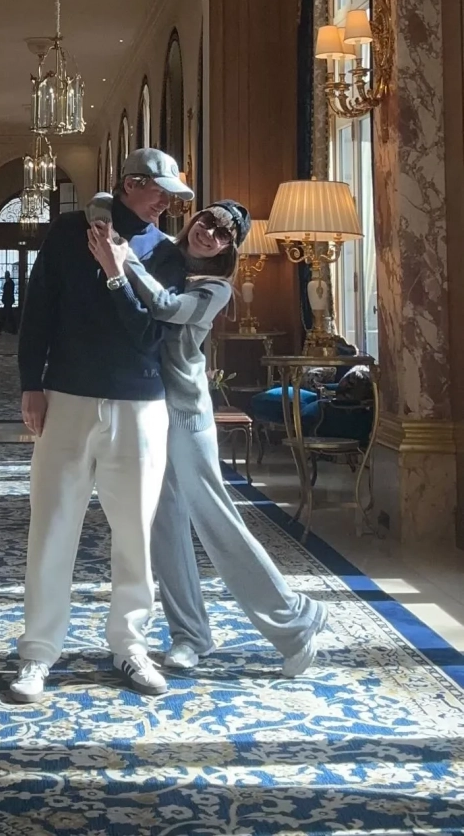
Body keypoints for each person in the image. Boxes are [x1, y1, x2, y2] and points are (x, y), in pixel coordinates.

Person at [87, 201, 329, 678]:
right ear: (193, 218)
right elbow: (103, 207)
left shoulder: (216, 289)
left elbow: (165, 308)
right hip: (147, 406)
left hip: (186, 414)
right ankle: (190, 634)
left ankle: (294, 618)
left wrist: (125, 261)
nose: (210, 233)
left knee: (216, 520)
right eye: (207, 221)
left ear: (228, 249)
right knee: (163, 524)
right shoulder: (163, 254)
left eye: (223, 234)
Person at [11, 149, 194, 703]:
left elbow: (149, 337)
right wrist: (31, 382)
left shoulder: (166, 254)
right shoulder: (68, 233)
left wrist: (118, 274)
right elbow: (38, 309)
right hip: (66, 398)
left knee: (135, 534)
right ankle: (38, 652)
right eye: (158, 192)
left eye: (171, 197)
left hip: (140, 407)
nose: (165, 204)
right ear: (129, 184)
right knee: (52, 528)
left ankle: (131, 646)